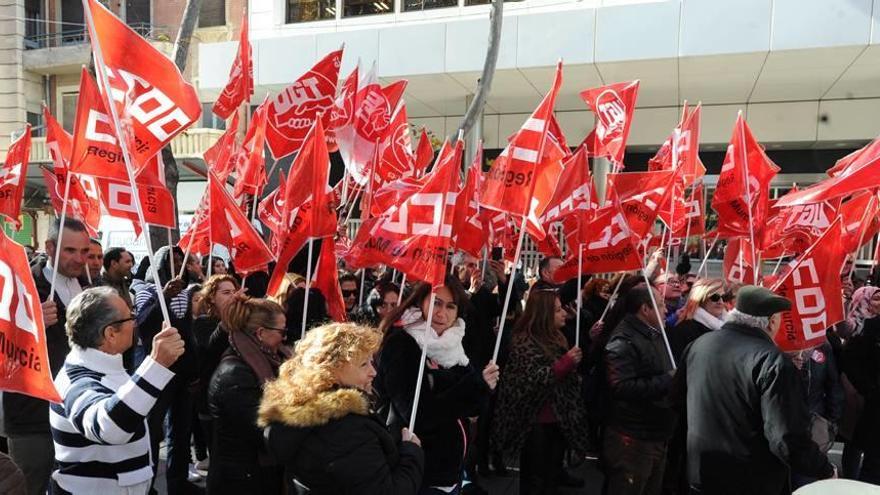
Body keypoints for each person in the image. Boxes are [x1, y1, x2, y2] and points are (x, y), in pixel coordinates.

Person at [680, 285, 836, 494]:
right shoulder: (773, 362)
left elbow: (678, 403)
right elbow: (785, 438)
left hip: (701, 472)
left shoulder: (699, 345)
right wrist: (824, 469)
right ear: (772, 321)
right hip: (749, 479)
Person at [259, 322, 425, 494]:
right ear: (331, 371)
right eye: (363, 364)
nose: (373, 372)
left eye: (371, 361)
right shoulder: (347, 430)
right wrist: (411, 452)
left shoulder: (302, 410)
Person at [49, 287, 185, 494]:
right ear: (111, 333)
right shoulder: (76, 381)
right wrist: (156, 364)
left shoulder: (103, 366)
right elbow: (110, 427)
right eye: (130, 317)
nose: (135, 321)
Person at [375, 276, 500, 494]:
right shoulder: (402, 344)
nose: (442, 314)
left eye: (451, 306)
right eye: (436, 303)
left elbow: (473, 408)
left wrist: (483, 387)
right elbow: (419, 414)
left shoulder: (452, 343)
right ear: (420, 302)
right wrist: (473, 386)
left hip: (453, 470)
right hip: (419, 473)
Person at [4, 218, 89, 495]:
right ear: (50, 247)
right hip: (32, 414)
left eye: (83, 251)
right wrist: (32, 322)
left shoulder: (89, 286)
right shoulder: (20, 284)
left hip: (76, 411)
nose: (79, 259)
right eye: (70, 250)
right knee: (28, 487)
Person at [491, 290, 590, 495]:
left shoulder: (557, 336)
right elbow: (533, 379)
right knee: (534, 476)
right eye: (557, 310)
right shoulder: (524, 342)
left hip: (558, 417)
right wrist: (567, 362)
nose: (563, 313)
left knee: (552, 474)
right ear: (544, 314)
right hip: (534, 422)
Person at [207, 297, 291, 494]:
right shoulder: (234, 374)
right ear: (261, 333)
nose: (285, 338)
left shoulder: (273, 358)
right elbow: (262, 430)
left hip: (259, 473)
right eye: (282, 331)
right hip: (241, 479)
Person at [132, 245, 198, 494]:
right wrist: (164, 295)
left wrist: (195, 371)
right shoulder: (145, 291)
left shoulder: (188, 293)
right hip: (157, 372)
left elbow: (188, 334)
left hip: (183, 373)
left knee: (181, 432)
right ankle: (146, 486)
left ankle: (178, 482)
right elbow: (143, 324)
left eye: (181, 260)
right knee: (152, 430)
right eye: (171, 261)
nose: (177, 265)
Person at [603, 285, 675, 495]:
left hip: (654, 432)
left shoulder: (653, 334)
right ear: (645, 309)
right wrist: (667, 380)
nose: (666, 311)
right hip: (634, 438)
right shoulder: (623, 340)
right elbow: (620, 386)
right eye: (661, 305)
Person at [789, 341, 845, 488]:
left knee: (808, 479)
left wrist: (832, 420)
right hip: (784, 423)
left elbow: (833, 384)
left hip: (814, 426)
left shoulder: (823, 346)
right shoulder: (777, 344)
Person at [842, 285, 880, 484]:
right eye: (876, 298)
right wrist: (870, 390)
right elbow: (850, 360)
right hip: (862, 400)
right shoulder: (872, 328)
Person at [668, 279, 726, 362]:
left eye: (723, 297)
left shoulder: (729, 328)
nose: (720, 302)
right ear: (701, 298)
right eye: (715, 297)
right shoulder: (684, 330)